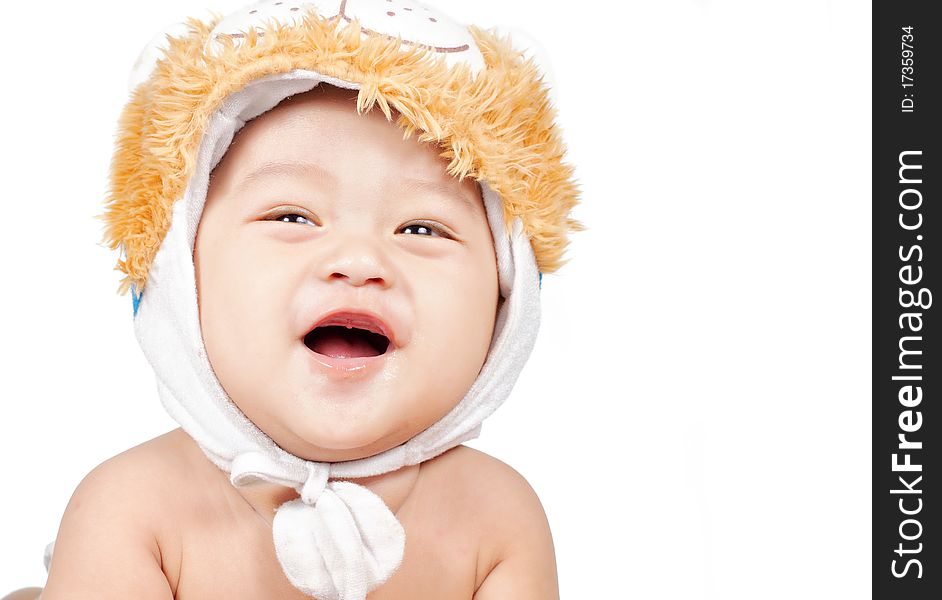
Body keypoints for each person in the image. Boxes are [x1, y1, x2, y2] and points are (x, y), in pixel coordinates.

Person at [9, 1, 582, 598]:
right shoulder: (133, 511)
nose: (359, 262)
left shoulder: (496, 521)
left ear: (505, 300)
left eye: (422, 230)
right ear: (179, 273)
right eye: (292, 215)